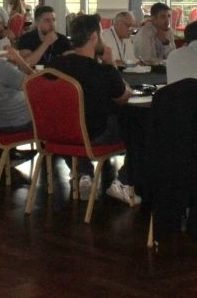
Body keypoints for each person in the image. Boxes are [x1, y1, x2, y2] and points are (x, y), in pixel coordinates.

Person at [47, 14, 136, 206]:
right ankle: (123, 181)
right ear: (94, 37)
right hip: (95, 135)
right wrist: (111, 64)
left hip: (55, 132)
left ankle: (82, 171)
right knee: (140, 126)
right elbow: (123, 96)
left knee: (72, 120)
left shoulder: (53, 66)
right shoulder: (102, 71)